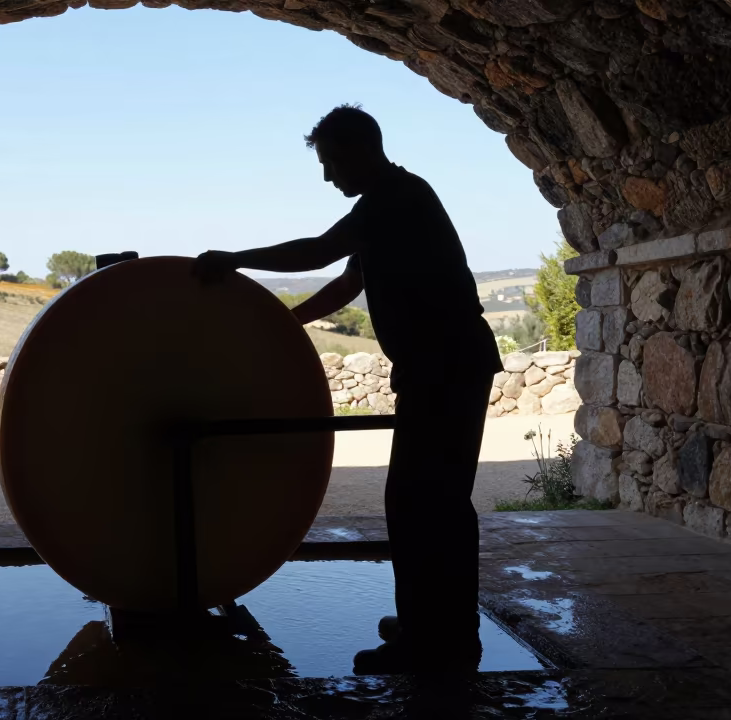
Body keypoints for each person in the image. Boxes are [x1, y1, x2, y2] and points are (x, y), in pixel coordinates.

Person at [192, 104, 502, 673]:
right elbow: (350, 279)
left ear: (362, 151)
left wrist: (233, 262)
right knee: (430, 503)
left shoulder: (392, 200)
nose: (329, 176)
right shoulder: (394, 202)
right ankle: (435, 625)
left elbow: (316, 251)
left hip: (445, 367)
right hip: (446, 365)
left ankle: (434, 641)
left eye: (332, 162)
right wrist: (289, 322)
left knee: (422, 504)